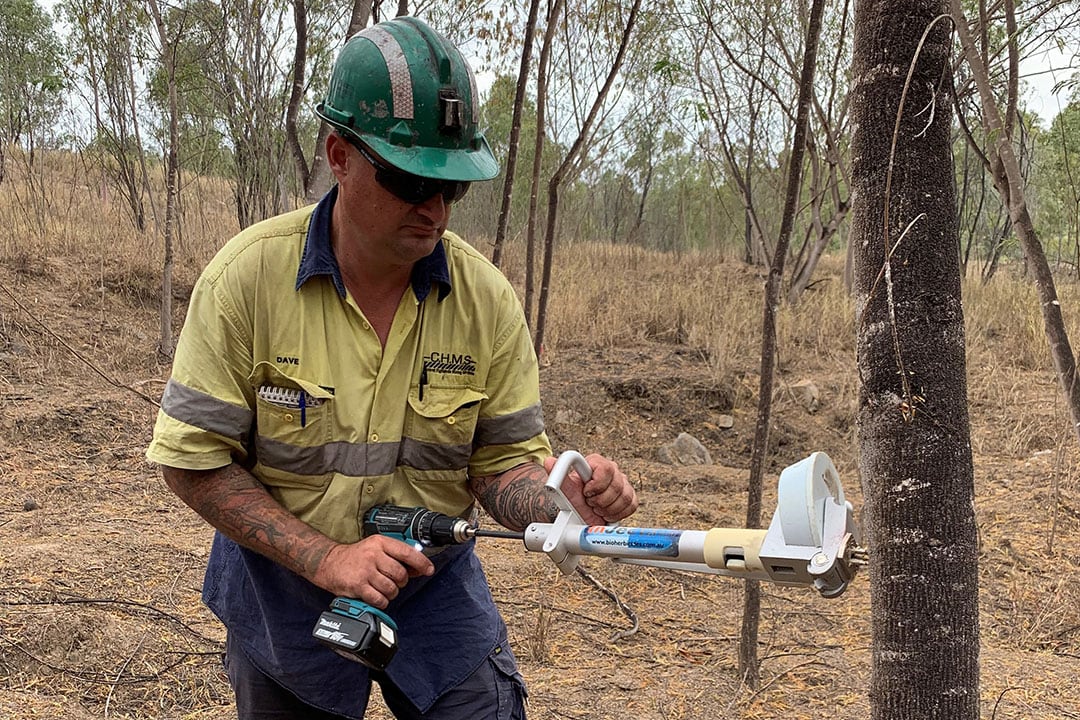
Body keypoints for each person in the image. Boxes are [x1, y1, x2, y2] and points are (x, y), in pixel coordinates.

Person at [146, 15, 638, 720]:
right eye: (410, 180)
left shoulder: (485, 301)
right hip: (283, 579)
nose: (435, 209)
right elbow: (190, 462)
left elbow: (501, 465)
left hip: (432, 579)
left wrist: (563, 499)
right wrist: (325, 559)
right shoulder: (246, 281)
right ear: (339, 155)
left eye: (454, 188)